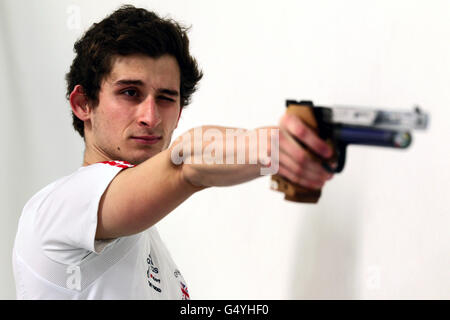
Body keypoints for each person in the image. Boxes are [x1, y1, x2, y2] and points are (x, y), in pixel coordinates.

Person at [12, 5, 334, 299]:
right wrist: (275, 148)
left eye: (166, 98)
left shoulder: (149, 246)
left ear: (178, 112)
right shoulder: (58, 207)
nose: (150, 117)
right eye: (130, 92)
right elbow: (186, 164)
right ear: (83, 103)